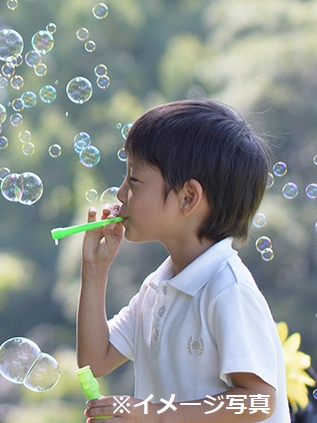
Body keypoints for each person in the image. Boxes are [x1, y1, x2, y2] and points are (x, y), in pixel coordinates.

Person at [77, 98, 290, 423]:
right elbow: (94, 362)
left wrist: (155, 415)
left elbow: (260, 402)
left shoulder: (227, 289)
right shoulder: (156, 289)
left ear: (188, 197)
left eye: (133, 180)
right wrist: (94, 270)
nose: (121, 194)